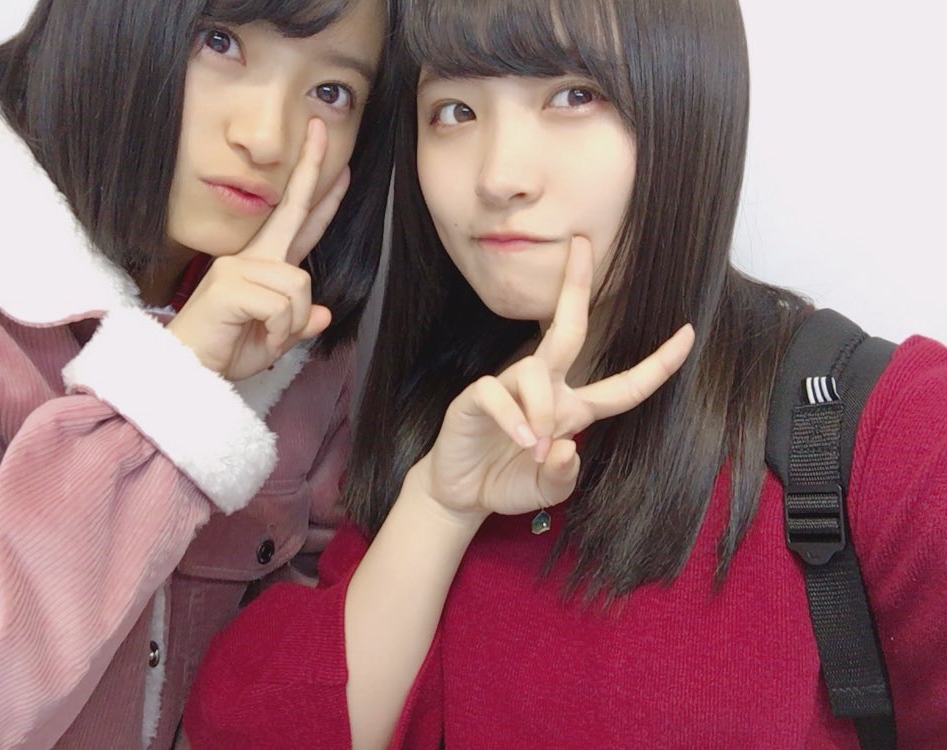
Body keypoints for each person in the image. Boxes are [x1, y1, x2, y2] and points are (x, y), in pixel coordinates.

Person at [182, 0, 947, 747]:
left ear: (690, 103)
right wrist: (437, 511)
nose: (499, 177)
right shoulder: (439, 415)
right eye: (454, 111)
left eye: (574, 96)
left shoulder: (894, 430)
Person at [0, 0, 397, 746]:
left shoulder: (305, 342)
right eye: (219, 43)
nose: (267, 138)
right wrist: (173, 385)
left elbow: (289, 679)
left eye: (331, 91)